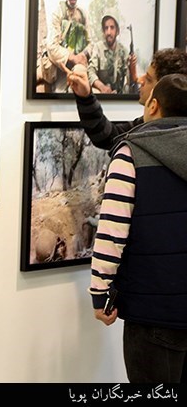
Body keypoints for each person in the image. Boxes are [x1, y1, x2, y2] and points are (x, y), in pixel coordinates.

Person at [88, 73, 187, 382]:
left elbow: (112, 230)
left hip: (152, 312)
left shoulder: (131, 151)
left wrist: (99, 294)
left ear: (153, 105)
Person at [68, 48, 187, 150]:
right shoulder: (144, 124)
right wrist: (85, 97)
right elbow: (109, 137)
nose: (140, 80)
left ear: (164, 89)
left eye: (149, 79)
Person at [39, 0, 91, 92]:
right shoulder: (58, 13)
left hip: (78, 67)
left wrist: (83, 54)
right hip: (60, 69)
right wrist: (72, 58)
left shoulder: (83, 14)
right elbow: (52, 46)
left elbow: (90, 43)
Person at [87, 15, 136, 94]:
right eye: (106, 28)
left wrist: (132, 68)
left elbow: (129, 80)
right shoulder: (98, 47)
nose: (109, 32)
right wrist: (102, 87)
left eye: (112, 27)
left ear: (117, 31)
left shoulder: (123, 51)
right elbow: (91, 71)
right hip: (102, 94)